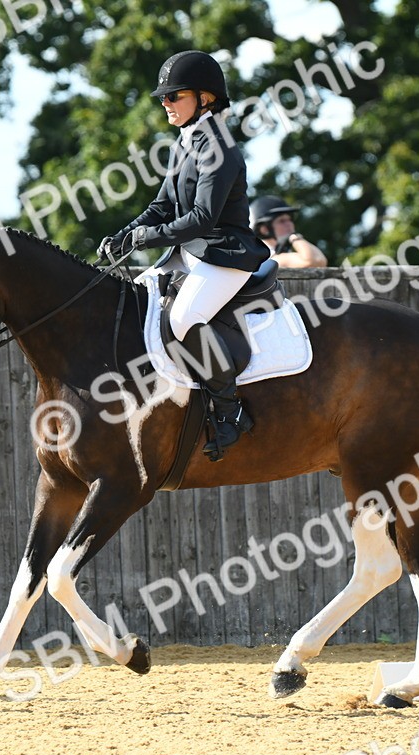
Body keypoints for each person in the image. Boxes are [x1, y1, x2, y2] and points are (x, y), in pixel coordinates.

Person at [99, 50, 269, 460]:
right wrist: (125, 234)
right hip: (189, 251)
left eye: (174, 96)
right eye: (164, 97)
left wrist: (147, 237)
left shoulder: (220, 146)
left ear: (205, 97)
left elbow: (202, 217)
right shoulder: (186, 142)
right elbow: (162, 205)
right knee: (135, 298)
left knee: (184, 316)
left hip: (223, 254)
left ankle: (231, 411)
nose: (165, 103)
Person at [249, 195, 328, 268]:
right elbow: (316, 260)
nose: (289, 224)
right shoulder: (271, 258)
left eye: (290, 220)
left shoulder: (259, 252)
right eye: (282, 221)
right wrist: (295, 238)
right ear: (265, 229)